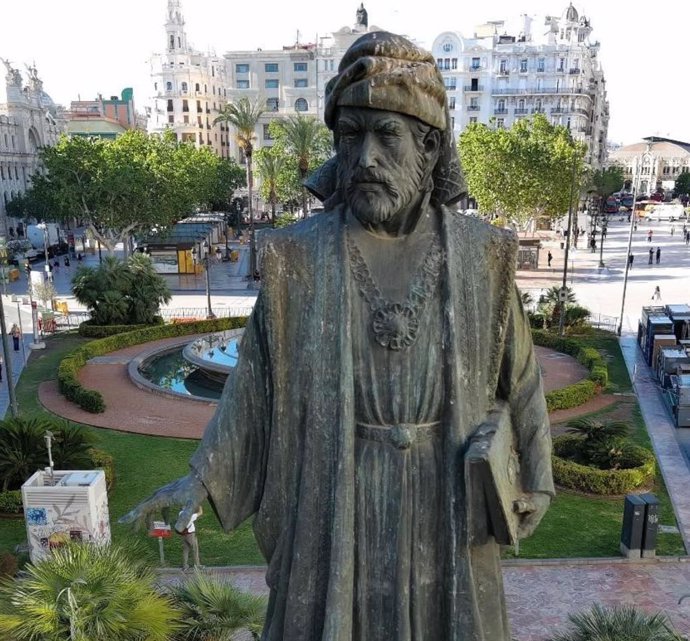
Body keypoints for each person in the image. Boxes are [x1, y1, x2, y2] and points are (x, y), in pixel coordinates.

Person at [121, 32, 553, 641]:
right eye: (351, 136)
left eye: (387, 134)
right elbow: (254, 385)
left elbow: (522, 376)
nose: (367, 156)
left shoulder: (484, 254)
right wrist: (201, 476)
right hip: (337, 494)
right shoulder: (297, 258)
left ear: (429, 147)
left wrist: (536, 474)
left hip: (448, 494)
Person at [178, 506, 202, 571]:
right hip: (190, 534)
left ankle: (185, 566)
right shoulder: (191, 516)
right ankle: (197, 565)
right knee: (195, 549)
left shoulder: (180, 513)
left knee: (185, 550)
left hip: (183, 534)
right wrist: (199, 505)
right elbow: (200, 512)